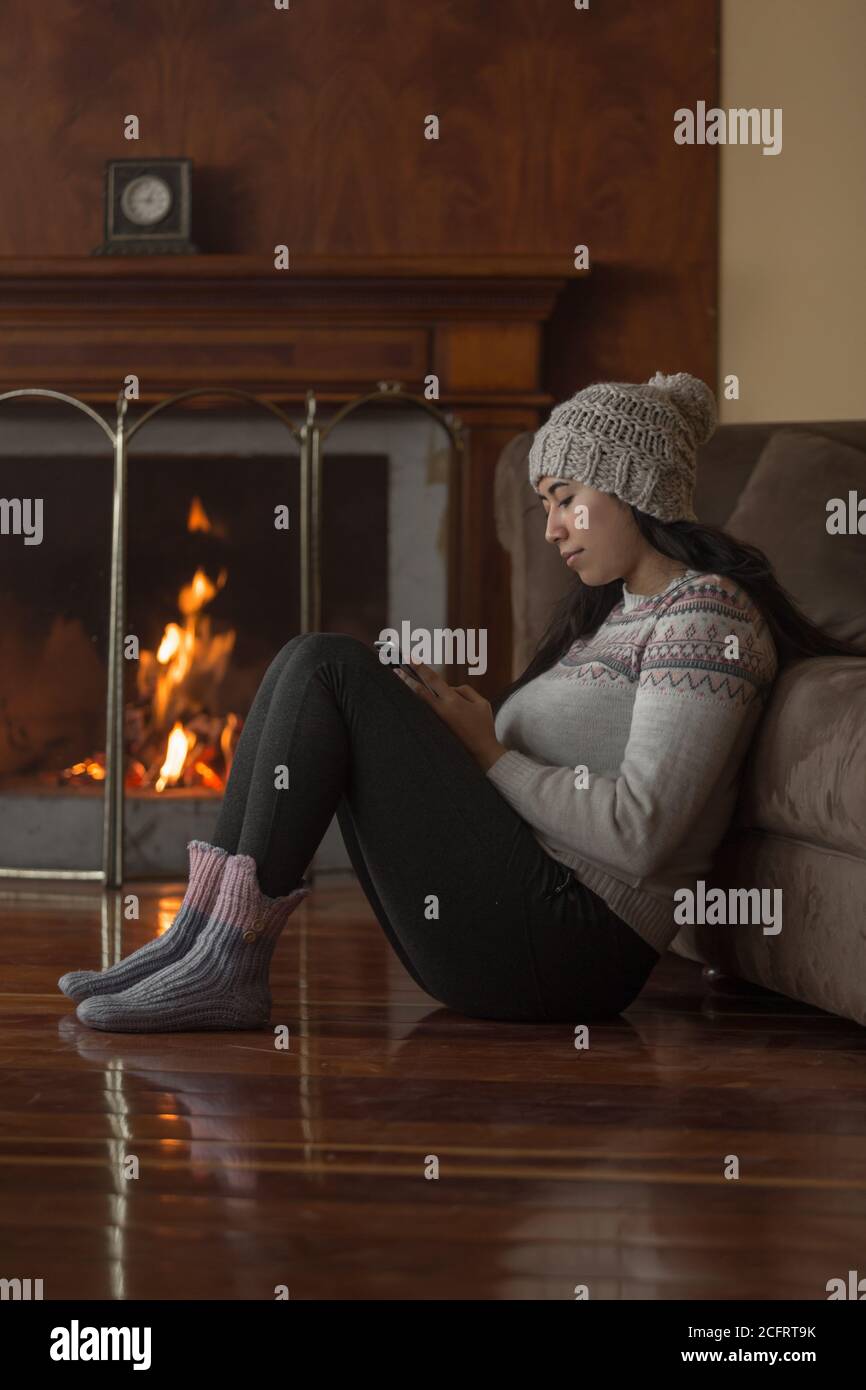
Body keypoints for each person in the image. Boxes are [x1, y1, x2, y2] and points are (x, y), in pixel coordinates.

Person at [58, 371, 857, 1033]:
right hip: (523, 920)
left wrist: (488, 753)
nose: (549, 527)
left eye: (564, 496)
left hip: (568, 949)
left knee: (328, 666)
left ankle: (223, 960)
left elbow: (644, 835)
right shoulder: (616, 618)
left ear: (628, 486)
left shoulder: (705, 614)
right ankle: (200, 940)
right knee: (311, 664)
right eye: (543, 502)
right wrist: (449, 739)